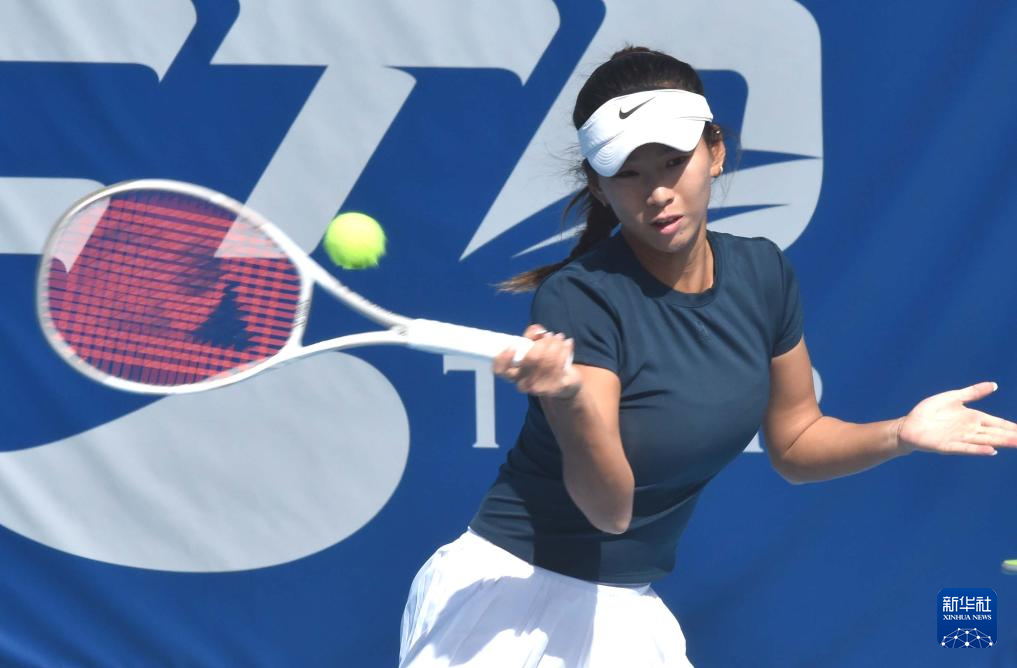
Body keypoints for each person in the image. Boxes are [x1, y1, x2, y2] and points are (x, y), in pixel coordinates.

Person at [398, 46, 1017, 667]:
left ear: (714, 151)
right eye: (629, 173)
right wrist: (571, 400)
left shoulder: (762, 273)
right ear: (599, 188)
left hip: (622, 609)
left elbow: (797, 442)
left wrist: (901, 433)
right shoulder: (580, 299)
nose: (657, 192)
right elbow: (610, 513)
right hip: (508, 601)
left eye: (674, 161)